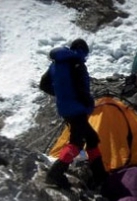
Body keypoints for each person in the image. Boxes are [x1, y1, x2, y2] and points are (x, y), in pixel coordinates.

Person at [39, 38, 108, 189]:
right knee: (77, 142)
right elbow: (81, 89)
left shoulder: (56, 64)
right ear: (82, 51)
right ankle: (56, 173)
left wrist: (61, 94)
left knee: (92, 138)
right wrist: (88, 104)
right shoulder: (77, 65)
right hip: (77, 109)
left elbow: (43, 84)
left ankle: (100, 175)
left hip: (64, 109)